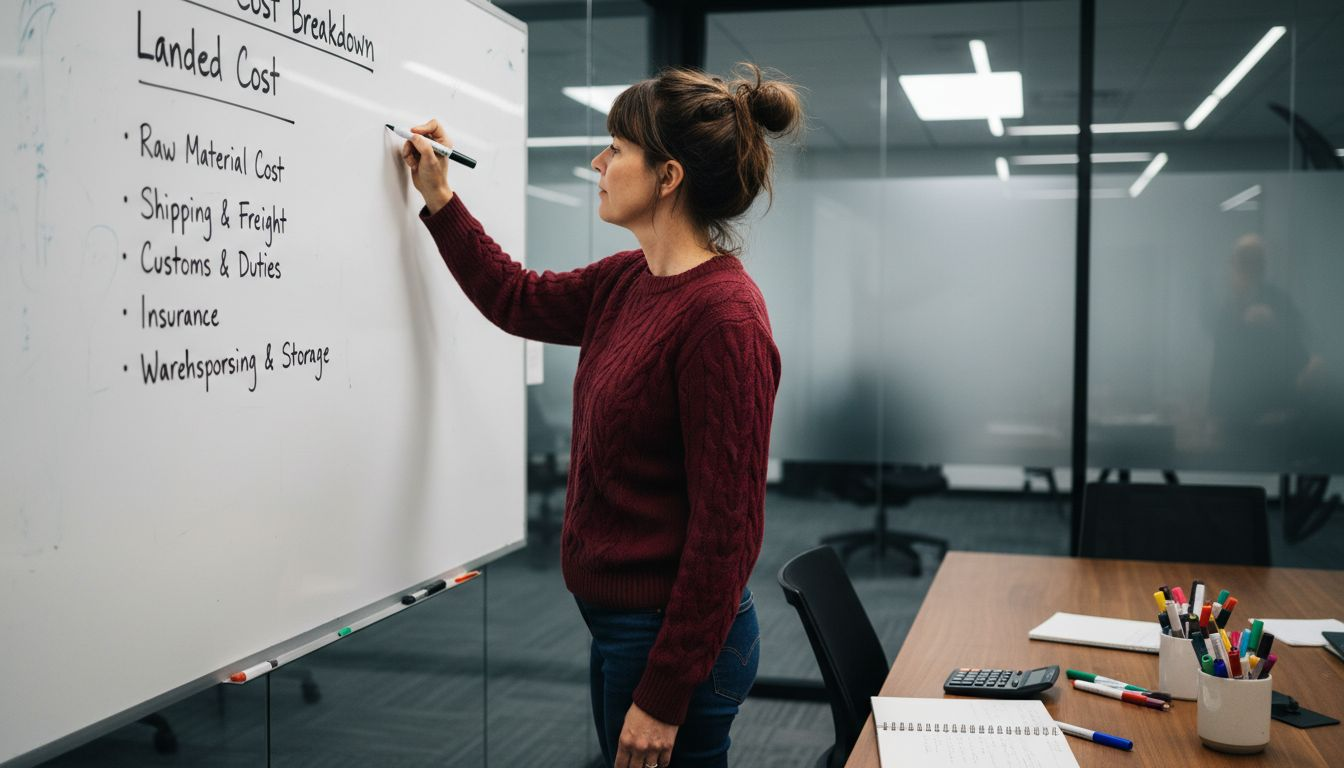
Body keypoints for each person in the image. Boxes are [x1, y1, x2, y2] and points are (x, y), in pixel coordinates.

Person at [401, 63, 802, 768]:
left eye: (616, 148)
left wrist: (665, 692)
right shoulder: (628, 280)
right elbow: (517, 297)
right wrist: (440, 198)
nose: (599, 161)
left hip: (673, 645)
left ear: (668, 176)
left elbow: (726, 533)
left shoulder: (724, 320)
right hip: (623, 629)